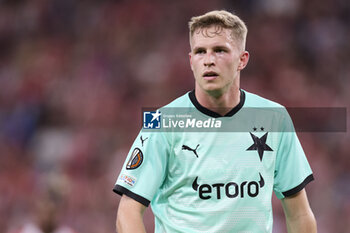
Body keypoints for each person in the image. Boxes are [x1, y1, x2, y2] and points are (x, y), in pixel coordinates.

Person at [113, 10, 317, 233]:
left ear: (242, 59)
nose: (209, 60)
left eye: (220, 50)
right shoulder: (161, 122)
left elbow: (299, 213)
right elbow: (128, 210)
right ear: (191, 61)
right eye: (200, 52)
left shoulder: (274, 118)